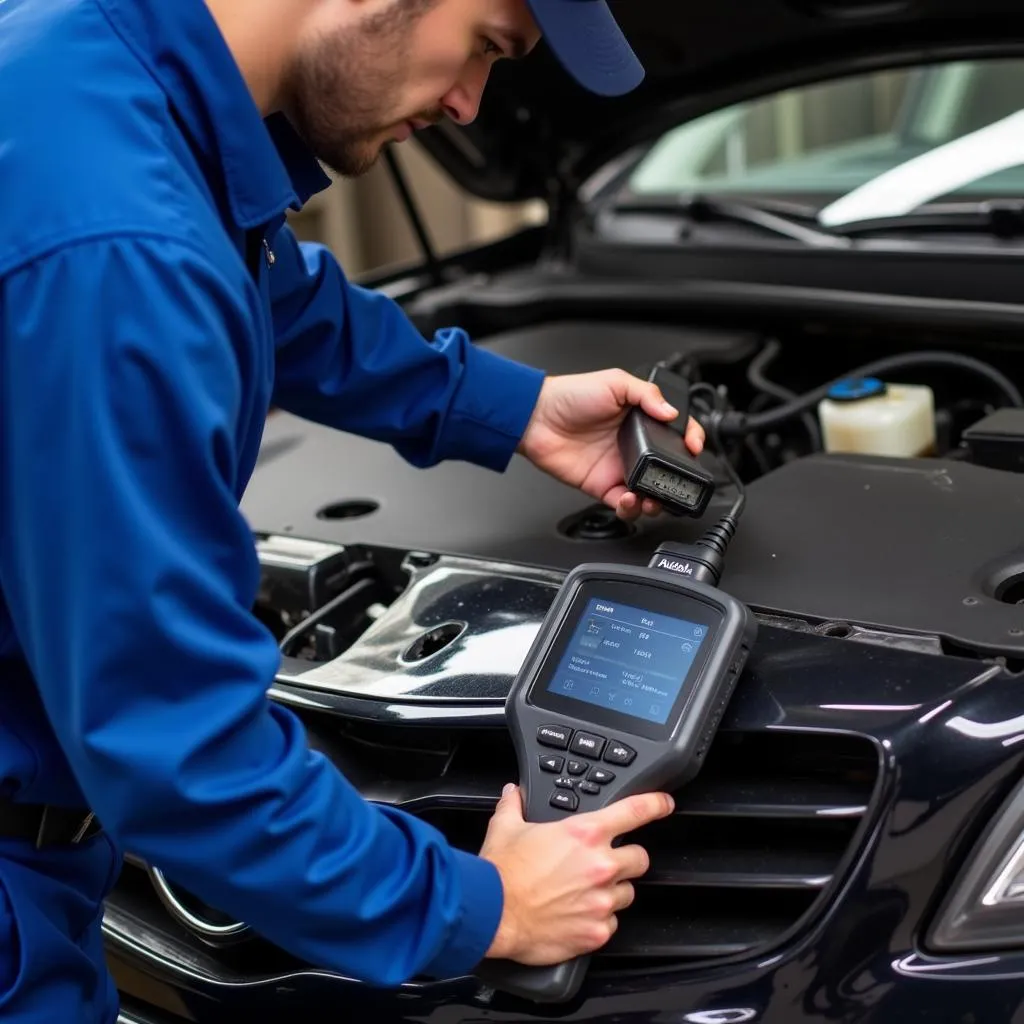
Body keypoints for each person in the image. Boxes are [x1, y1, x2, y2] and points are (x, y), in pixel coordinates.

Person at [0, 0, 706, 1020]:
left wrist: (511, 410)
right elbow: (179, 752)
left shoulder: (89, 55)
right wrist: (482, 906)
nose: (469, 104)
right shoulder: (119, 252)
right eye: (486, 48)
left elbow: (261, 283)